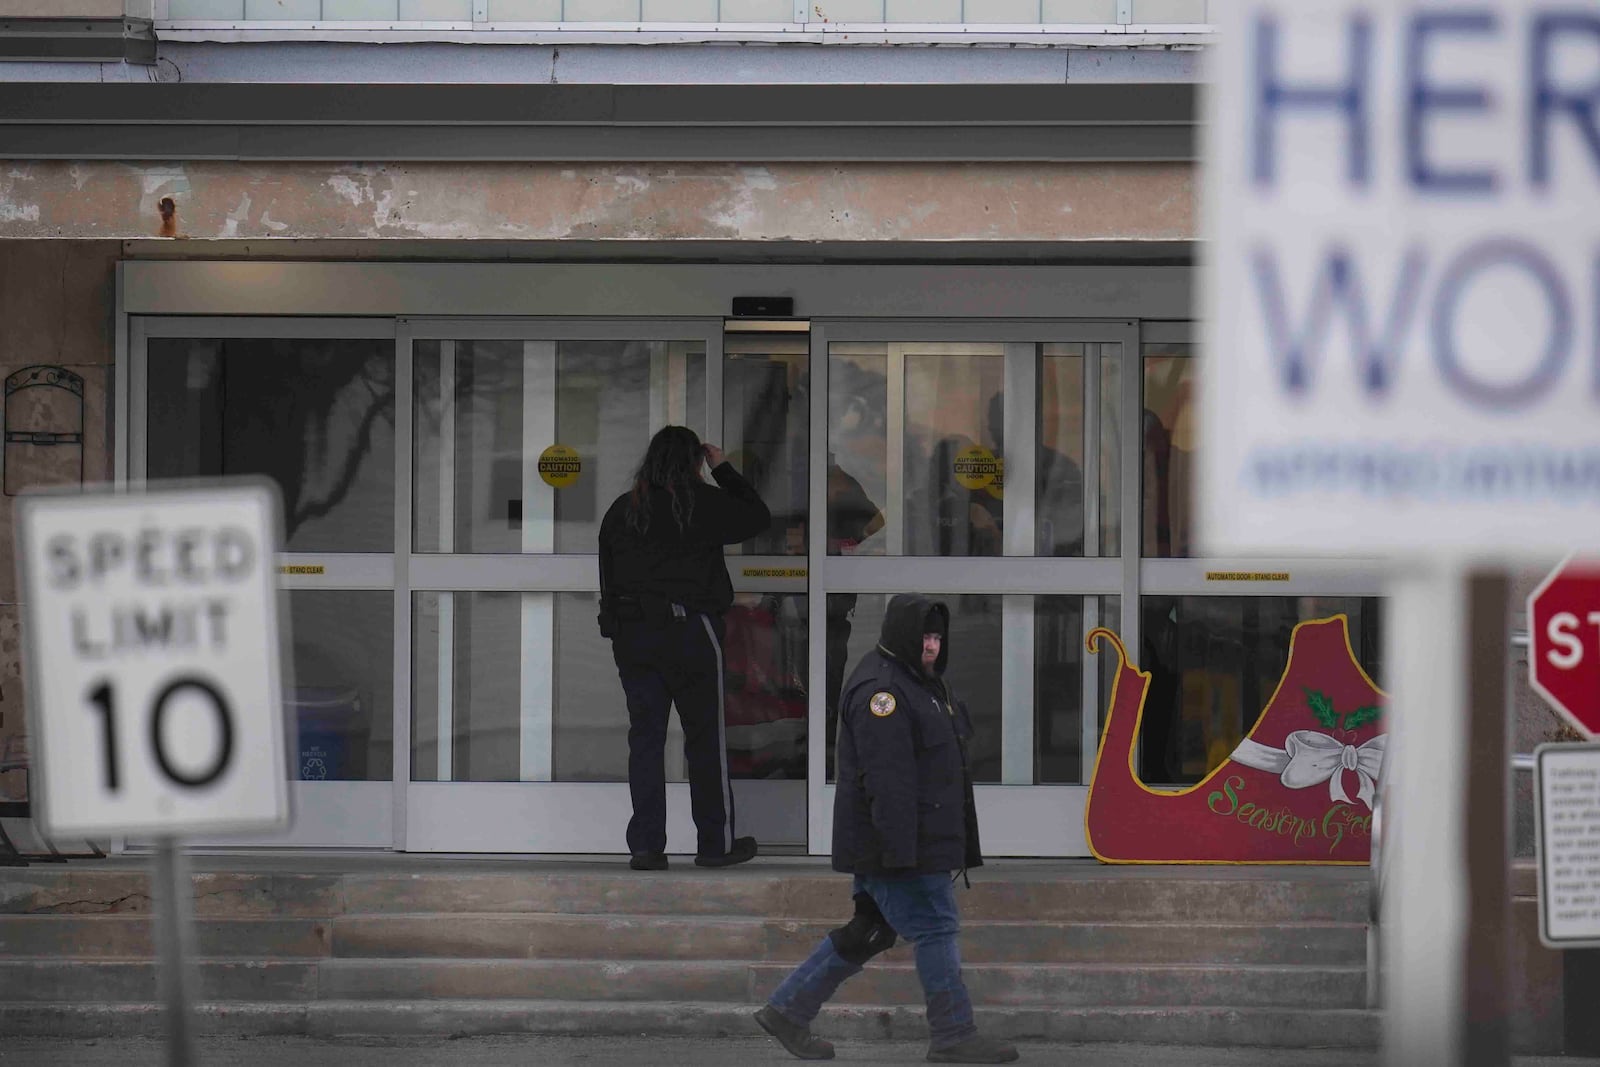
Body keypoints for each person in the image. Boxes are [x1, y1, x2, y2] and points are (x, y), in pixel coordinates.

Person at [754, 594, 1020, 1064]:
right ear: (902, 635)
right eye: (924, 637)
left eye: (938, 637)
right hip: (898, 846)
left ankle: (786, 1012)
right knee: (937, 928)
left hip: (906, 842)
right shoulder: (884, 692)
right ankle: (953, 1035)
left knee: (871, 931)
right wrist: (901, 855)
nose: (932, 645)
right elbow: (887, 781)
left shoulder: (924, 683)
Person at [598, 425, 772, 871]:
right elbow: (756, 517)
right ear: (695, 462)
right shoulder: (703, 503)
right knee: (704, 740)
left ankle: (646, 847)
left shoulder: (623, 511)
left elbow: (608, 579)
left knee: (646, 741)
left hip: (635, 636)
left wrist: (617, 629)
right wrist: (724, 468)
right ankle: (714, 845)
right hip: (691, 632)